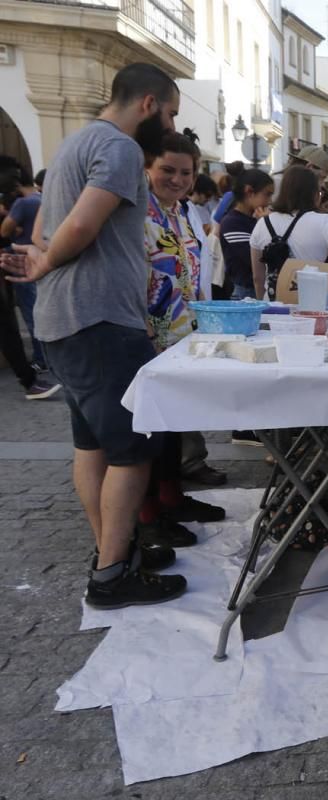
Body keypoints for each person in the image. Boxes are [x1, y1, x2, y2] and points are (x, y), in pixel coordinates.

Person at [4, 63, 187, 608]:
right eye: (172, 111)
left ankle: (115, 549)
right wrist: (44, 266)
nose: (172, 122)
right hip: (101, 320)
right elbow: (78, 228)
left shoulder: (72, 144)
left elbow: (41, 231)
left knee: (92, 446)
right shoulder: (123, 147)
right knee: (132, 451)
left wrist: (45, 260)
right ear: (150, 103)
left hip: (65, 323)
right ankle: (111, 575)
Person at [139, 131, 226, 541]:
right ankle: (148, 513)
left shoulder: (181, 212)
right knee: (148, 430)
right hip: (148, 336)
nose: (176, 179)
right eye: (167, 170)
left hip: (183, 333)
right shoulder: (137, 212)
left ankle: (173, 497)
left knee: (174, 423)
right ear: (148, 168)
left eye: (185, 172)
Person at [248, 166, 328, 300]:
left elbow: (257, 278)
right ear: (313, 193)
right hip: (315, 306)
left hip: (274, 308)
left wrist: (264, 306)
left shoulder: (262, 224)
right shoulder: (324, 222)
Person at [0, 159, 52, 378]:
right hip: (44, 258)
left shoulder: (22, 204)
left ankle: (41, 360)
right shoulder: (43, 199)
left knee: (31, 315)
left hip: (23, 261)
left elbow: (4, 231)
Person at [218, 168, 274, 300]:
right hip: (245, 294)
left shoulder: (253, 219)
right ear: (249, 191)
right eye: (267, 194)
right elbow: (256, 259)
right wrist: (266, 225)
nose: (270, 201)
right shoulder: (232, 223)